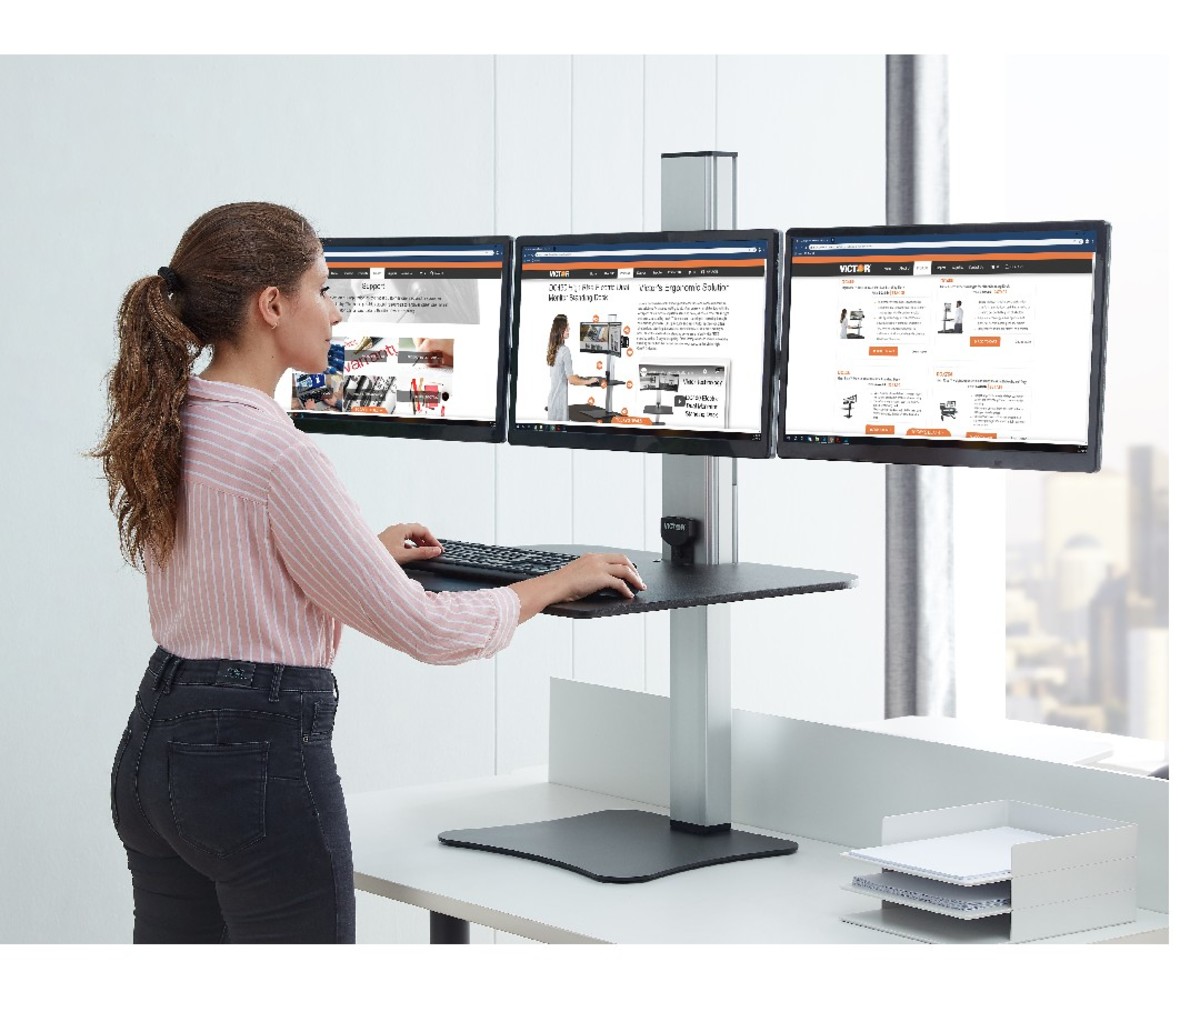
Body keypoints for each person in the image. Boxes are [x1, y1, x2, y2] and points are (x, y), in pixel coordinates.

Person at [93, 202, 644, 944]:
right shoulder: (280, 454)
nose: (336, 311)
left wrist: (361, 553)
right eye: (324, 289)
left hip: (155, 751)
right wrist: (552, 582)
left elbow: (233, 562)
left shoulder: (174, 417)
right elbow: (428, 630)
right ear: (272, 305)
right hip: (252, 759)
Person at [545, 313, 600, 420]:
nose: (569, 328)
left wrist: (574, 376)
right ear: (561, 330)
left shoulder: (554, 348)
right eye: (567, 327)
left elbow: (562, 374)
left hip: (553, 401)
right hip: (560, 404)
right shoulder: (565, 351)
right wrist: (588, 381)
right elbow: (572, 380)